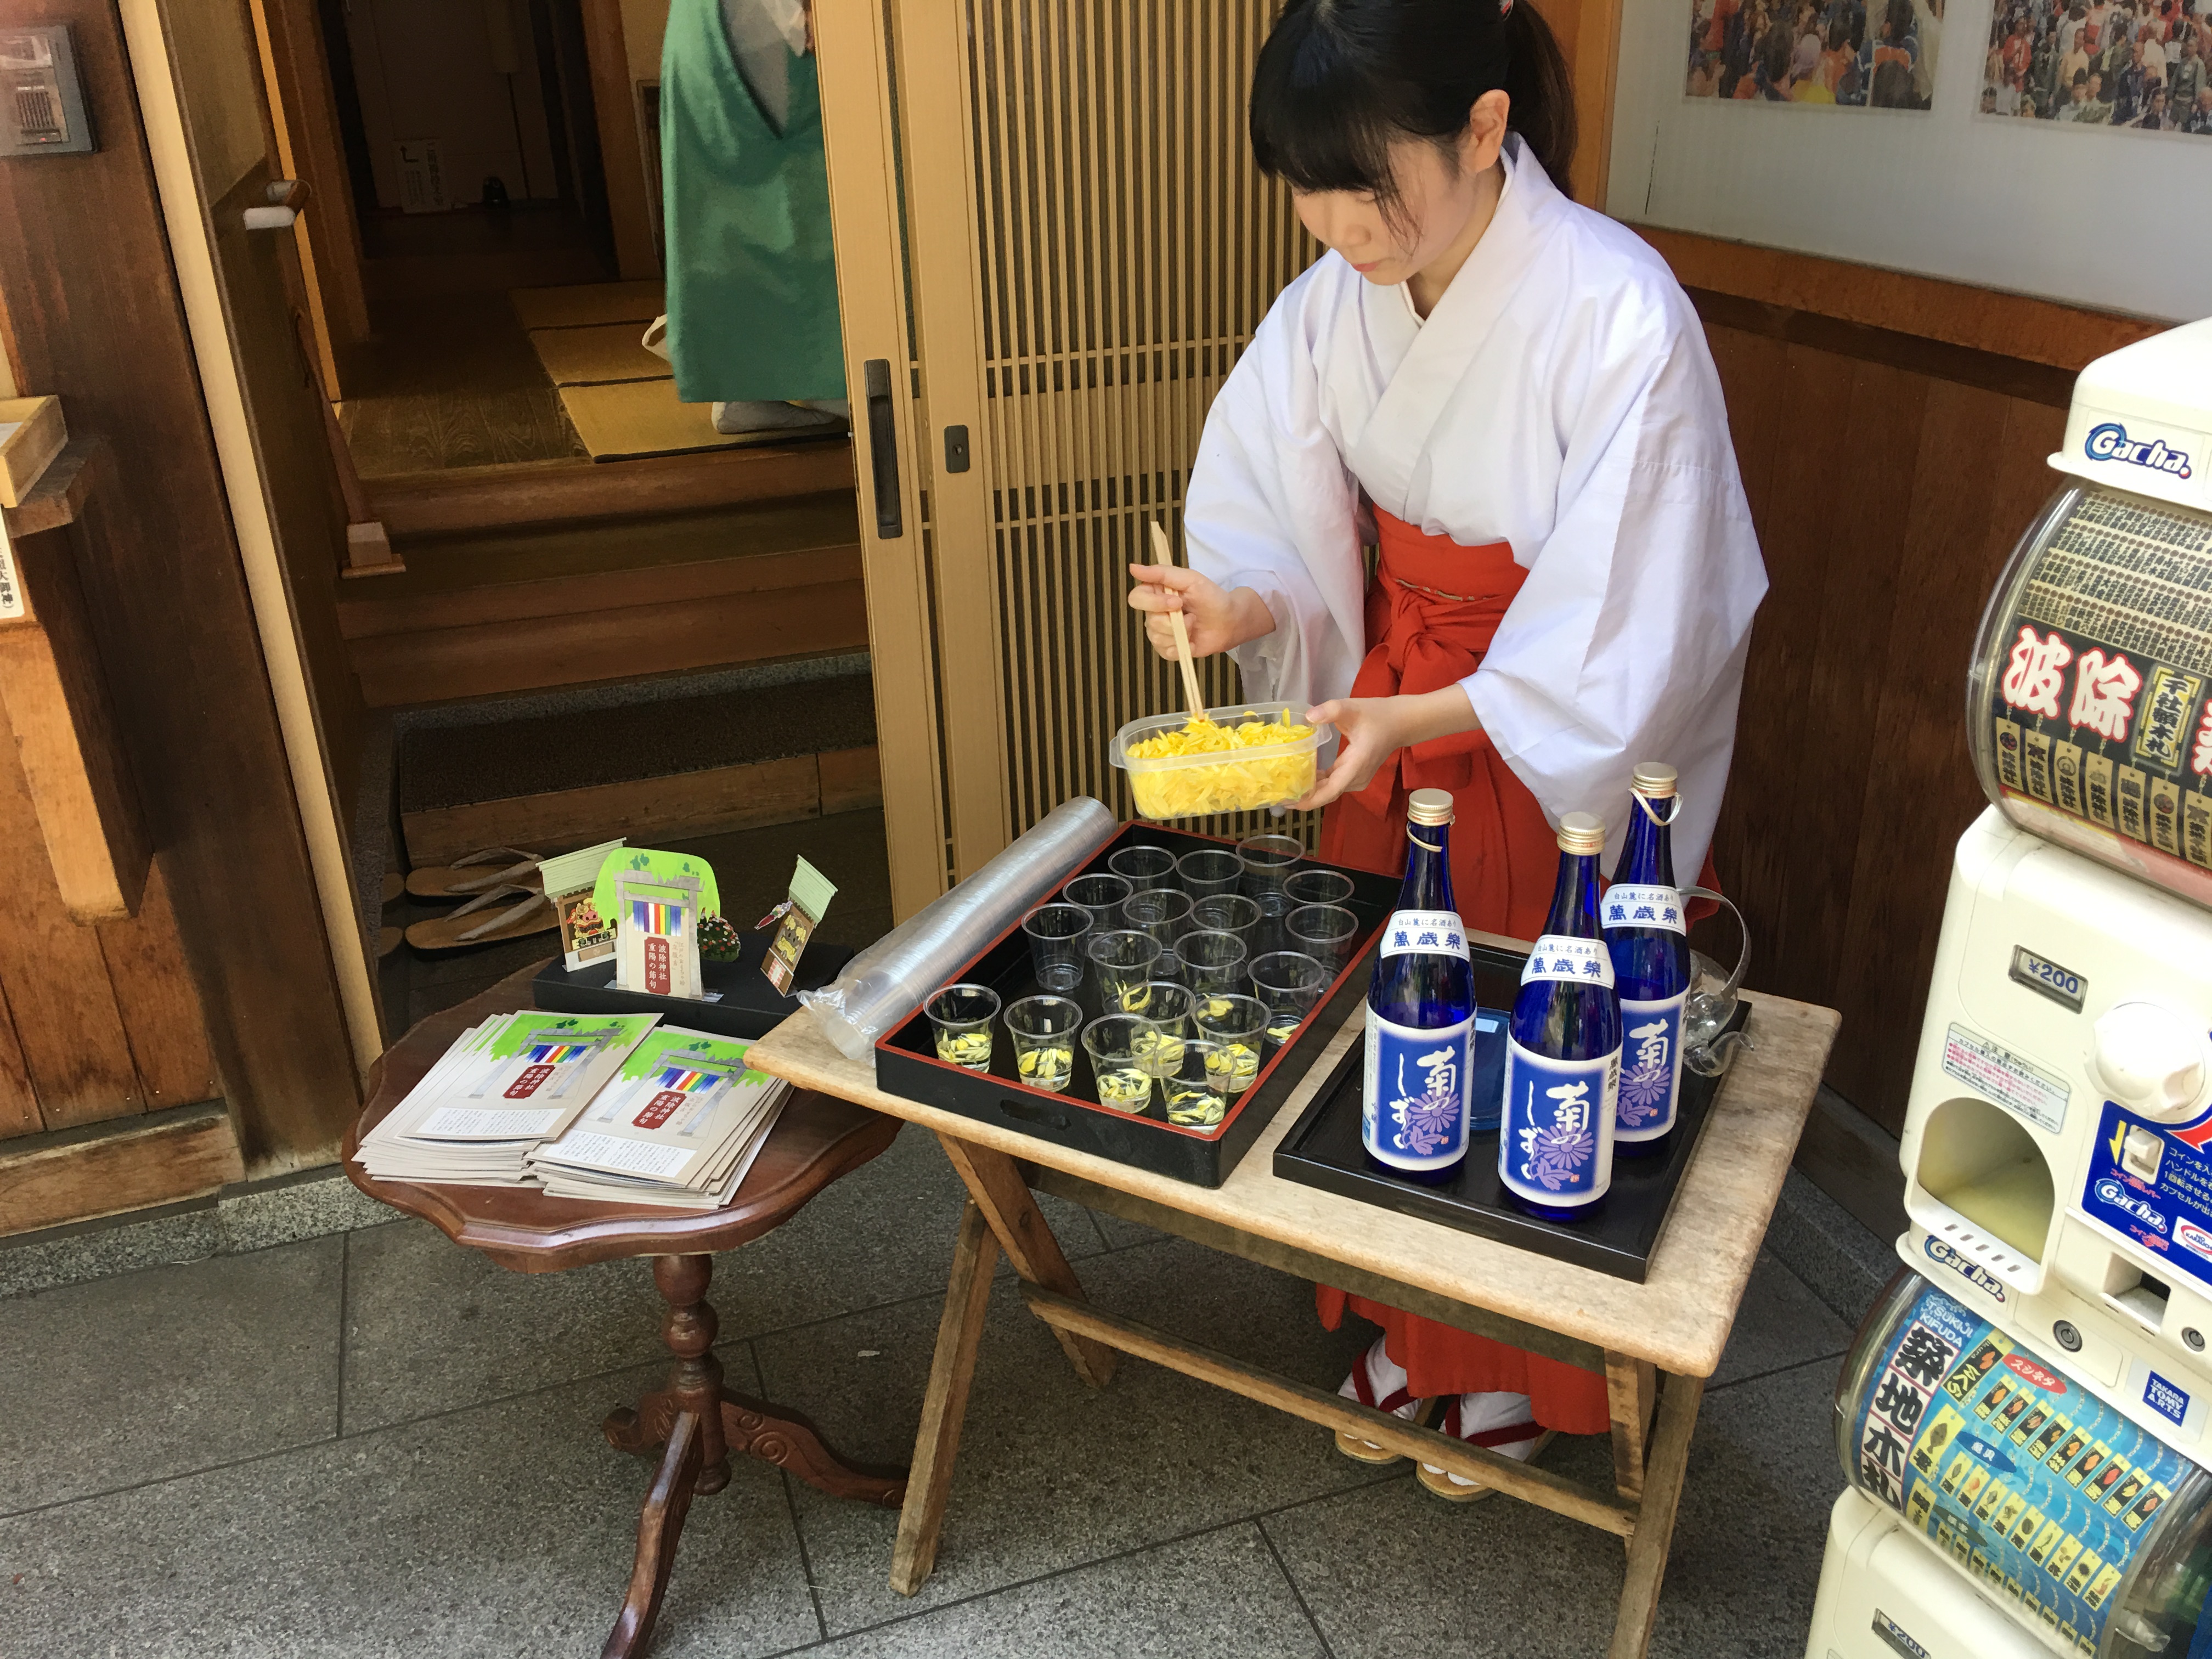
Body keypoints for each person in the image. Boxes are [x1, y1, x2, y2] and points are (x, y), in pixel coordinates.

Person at [1124, 0, 1764, 1500]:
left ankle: (1523, 1371)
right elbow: (1283, 516)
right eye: (1308, 181)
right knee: (1396, 1032)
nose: (1341, 223)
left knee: (1534, 1042)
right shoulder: (1333, 303)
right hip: (1395, 709)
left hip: (1544, 755)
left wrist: (1417, 718)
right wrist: (1238, 600)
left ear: (1486, 129)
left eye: (1369, 179)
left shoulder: (1619, 310)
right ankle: (1414, 1332)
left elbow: (1632, 611)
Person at [658, 0, 851, 436]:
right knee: (810, 185)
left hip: (703, 23)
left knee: (723, 204)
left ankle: (742, 391)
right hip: (764, 22)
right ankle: (827, 379)